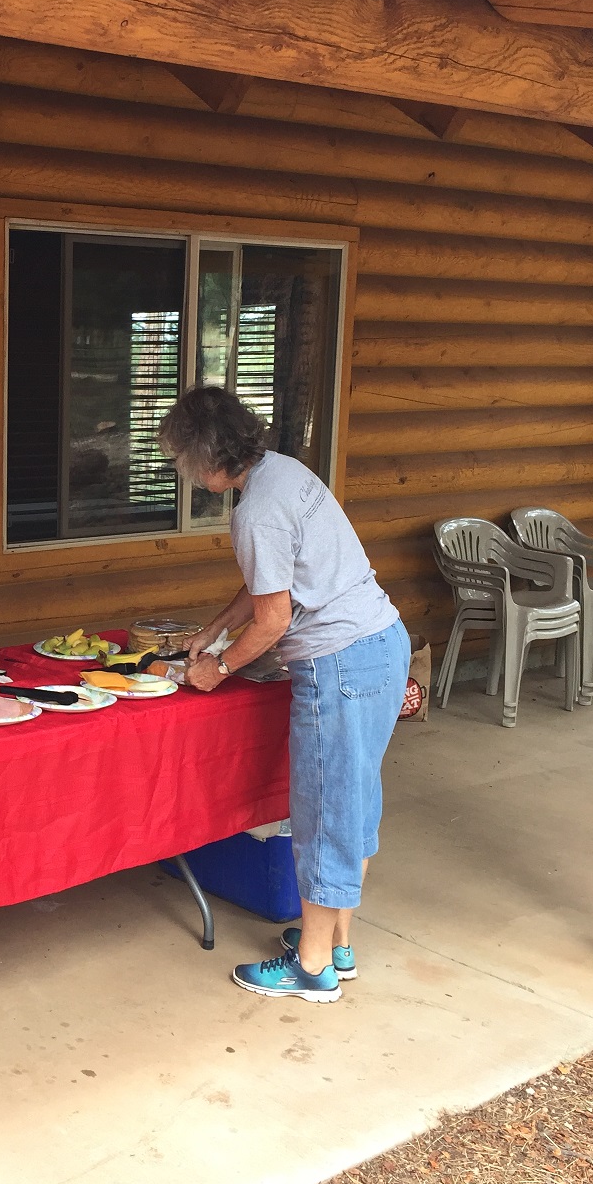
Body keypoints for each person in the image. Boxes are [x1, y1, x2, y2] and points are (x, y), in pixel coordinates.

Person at [157, 386, 409, 1005]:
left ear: (207, 457)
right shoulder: (285, 473)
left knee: (324, 815)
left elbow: (273, 620)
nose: (182, 471)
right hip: (383, 641)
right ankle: (338, 946)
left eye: (182, 458)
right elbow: (272, 581)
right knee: (354, 802)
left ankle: (313, 969)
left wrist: (218, 667)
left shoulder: (256, 512)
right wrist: (213, 628)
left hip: (339, 663)